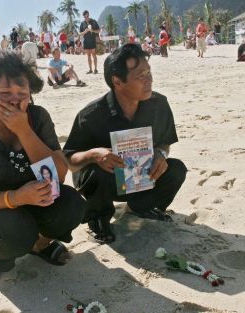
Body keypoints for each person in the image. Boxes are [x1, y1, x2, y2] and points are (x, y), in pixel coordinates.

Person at [0, 52, 85, 291]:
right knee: (15, 232)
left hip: (33, 197)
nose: (14, 101)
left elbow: (59, 175)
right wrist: (14, 198)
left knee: (72, 204)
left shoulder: (38, 117)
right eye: (4, 95)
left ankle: (41, 244)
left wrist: (24, 131)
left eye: (22, 95)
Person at [63, 44, 187, 244]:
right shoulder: (91, 115)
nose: (149, 79)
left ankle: (142, 207)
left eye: (149, 72)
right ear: (117, 82)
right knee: (97, 172)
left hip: (142, 177)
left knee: (176, 169)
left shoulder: (159, 104)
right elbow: (69, 160)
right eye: (140, 76)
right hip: (105, 183)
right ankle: (98, 219)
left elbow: (165, 143)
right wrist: (95, 155)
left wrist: (161, 155)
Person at [79, 10, 100, 74]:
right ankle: (90, 69)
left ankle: (95, 69)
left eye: (87, 16)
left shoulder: (93, 21)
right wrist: (85, 32)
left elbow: (98, 30)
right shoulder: (82, 23)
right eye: (85, 17)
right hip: (86, 41)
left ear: (89, 15)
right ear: (83, 17)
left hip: (92, 40)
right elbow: (80, 33)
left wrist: (92, 30)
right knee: (88, 56)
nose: (87, 18)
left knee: (94, 55)